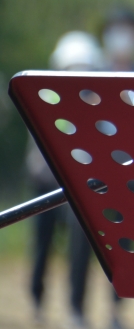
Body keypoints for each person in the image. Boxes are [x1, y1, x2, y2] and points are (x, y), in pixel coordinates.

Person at [27, 32, 104, 329]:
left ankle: (76, 308)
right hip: (46, 185)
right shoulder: (44, 99)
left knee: (80, 247)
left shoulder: (96, 106)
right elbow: (36, 157)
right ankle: (36, 298)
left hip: (79, 189)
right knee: (41, 244)